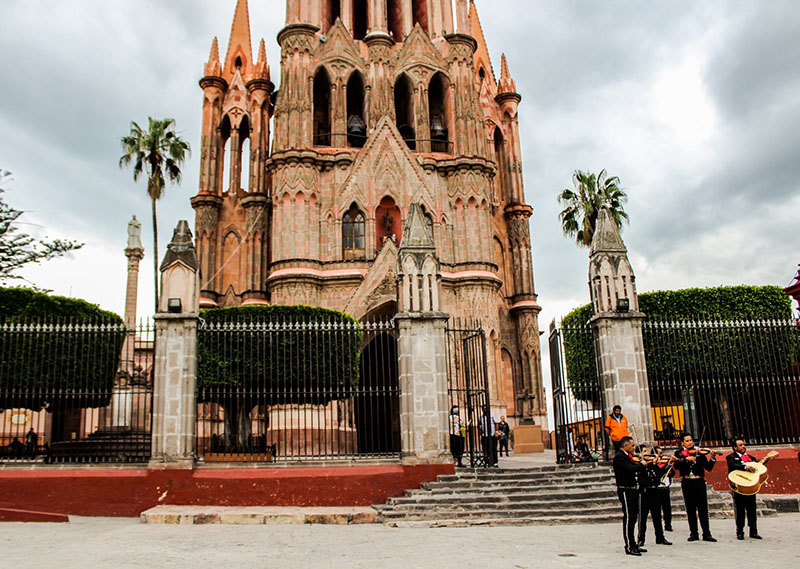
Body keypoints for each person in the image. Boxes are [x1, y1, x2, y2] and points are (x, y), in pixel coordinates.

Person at [673, 432, 718, 542]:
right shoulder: (679, 453)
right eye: (687, 441)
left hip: (699, 481)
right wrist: (686, 459)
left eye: (691, 440)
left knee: (703, 508)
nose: (690, 443)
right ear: (682, 442)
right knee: (690, 508)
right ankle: (694, 533)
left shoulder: (699, 453)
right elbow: (676, 466)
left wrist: (712, 458)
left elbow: (708, 468)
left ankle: (706, 533)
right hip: (687, 482)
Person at [726, 437, 772, 540]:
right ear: (734, 448)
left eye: (744, 444)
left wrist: (766, 460)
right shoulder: (731, 457)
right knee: (740, 510)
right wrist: (744, 467)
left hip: (750, 486)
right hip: (739, 487)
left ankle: (753, 531)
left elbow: (758, 468)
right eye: (740, 445)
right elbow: (732, 465)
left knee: (752, 509)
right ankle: (740, 531)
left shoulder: (751, 458)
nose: (743, 446)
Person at [613, 436, 647, 556]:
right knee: (629, 518)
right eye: (632, 445)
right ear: (625, 446)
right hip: (625, 490)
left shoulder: (628, 456)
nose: (634, 448)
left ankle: (634, 544)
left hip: (633, 489)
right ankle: (629, 545)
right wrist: (642, 465)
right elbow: (631, 469)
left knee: (634, 517)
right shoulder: (619, 457)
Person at [636, 444, 672, 547]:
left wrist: (667, 464)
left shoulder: (652, 465)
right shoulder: (639, 465)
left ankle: (660, 537)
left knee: (657, 515)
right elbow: (641, 477)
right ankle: (641, 538)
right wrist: (645, 464)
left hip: (655, 491)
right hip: (645, 492)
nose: (647, 453)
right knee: (643, 517)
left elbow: (660, 473)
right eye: (644, 451)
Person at [654, 445, 674, 532]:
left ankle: (668, 524)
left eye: (661, 454)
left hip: (665, 487)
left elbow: (672, 472)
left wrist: (670, 472)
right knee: (657, 508)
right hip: (657, 488)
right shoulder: (654, 464)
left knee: (667, 507)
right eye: (659, 454)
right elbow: (658, 473)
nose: (661, 456)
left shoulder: (665, 462)